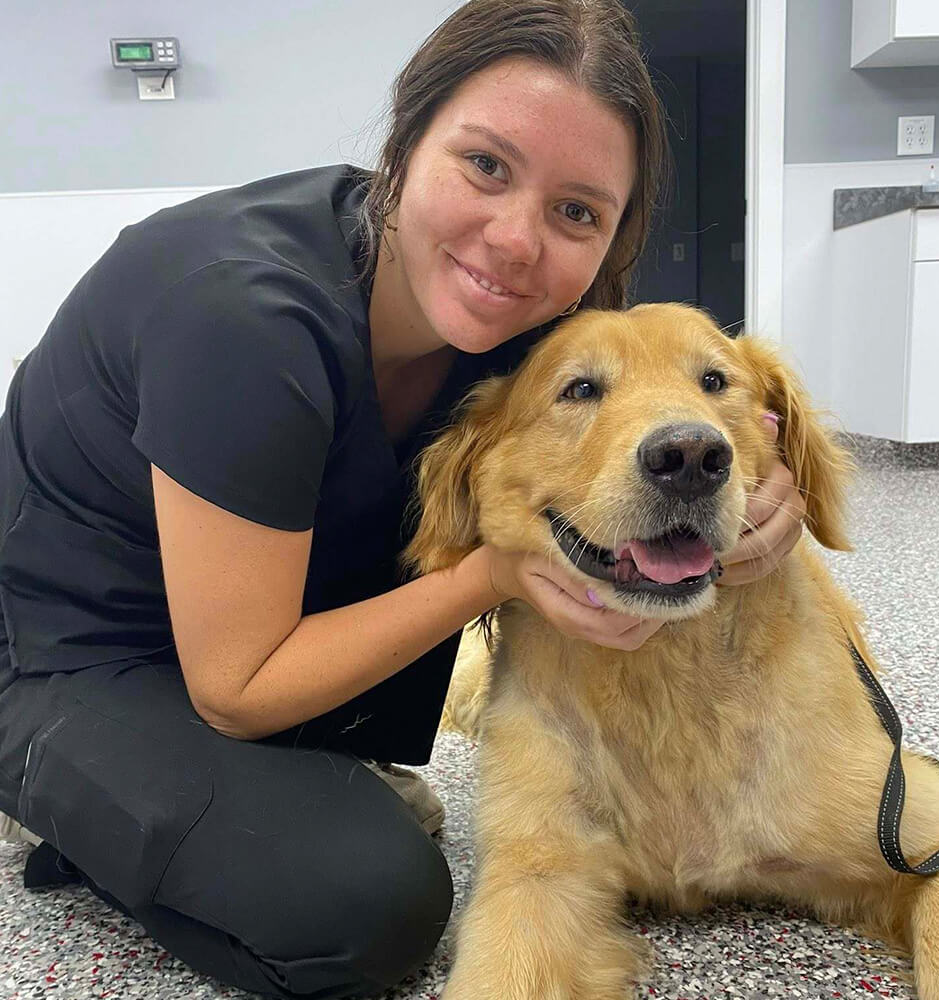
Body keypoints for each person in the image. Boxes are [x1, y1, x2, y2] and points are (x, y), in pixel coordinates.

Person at [0, 0, 807, 997]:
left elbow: (669, 418)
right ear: (403, 145)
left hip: (269, 614)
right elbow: (236, 685)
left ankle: (213, 784)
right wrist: (494, 574)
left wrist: (768, 481)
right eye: (484, 165)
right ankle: (66, 797)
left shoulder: (533, 323)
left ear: (608, 245)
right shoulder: (241, 317)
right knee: (363, 905)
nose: (516, 239)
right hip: (76, 647)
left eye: (576, 212)